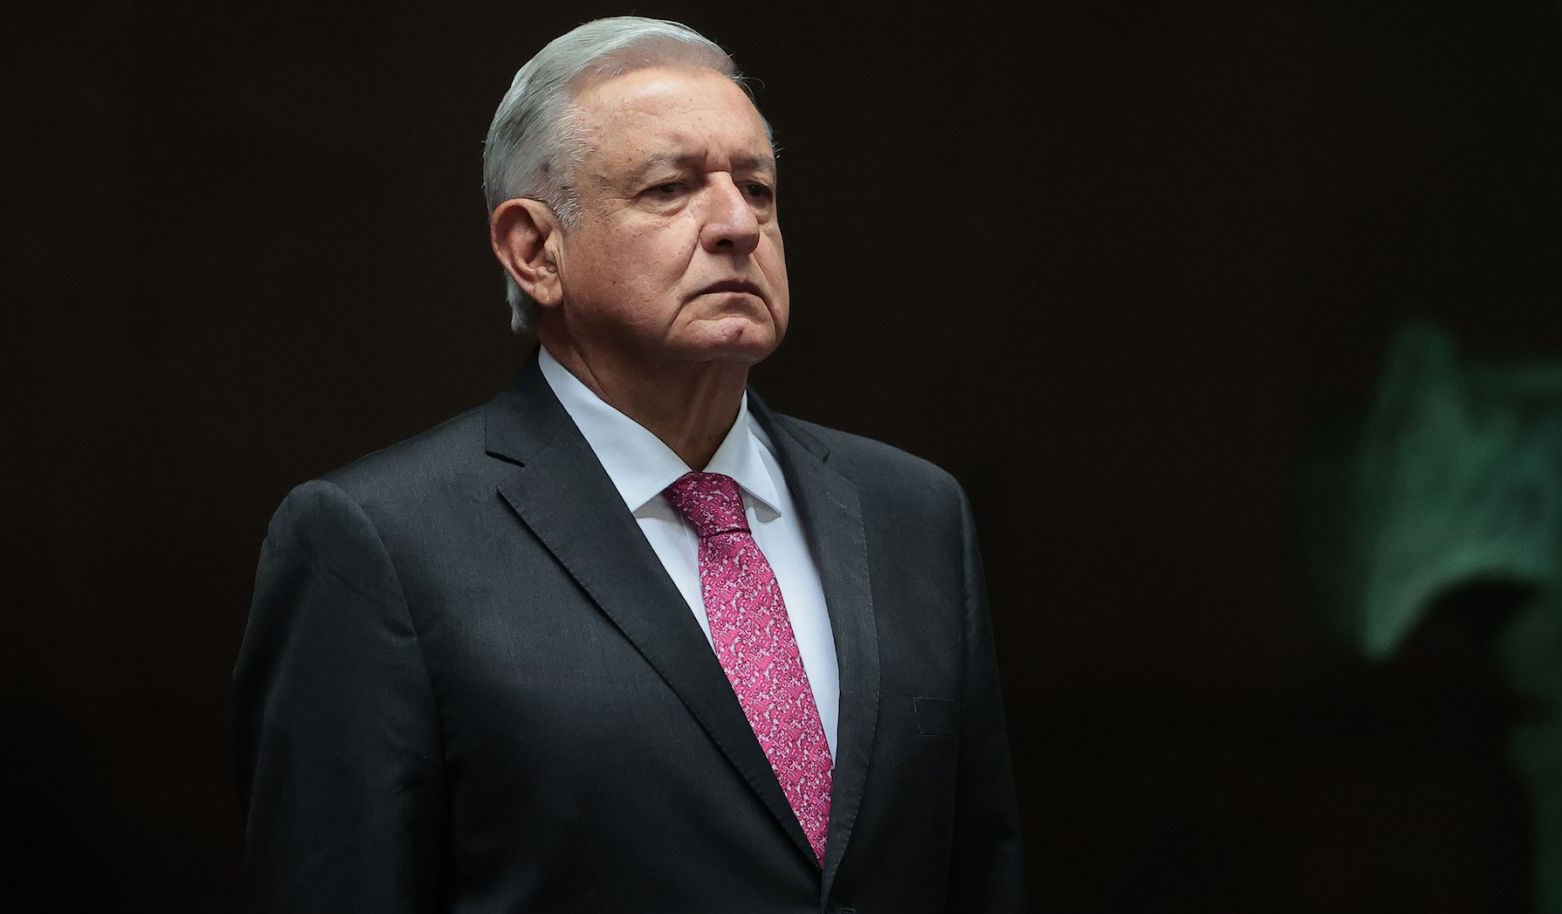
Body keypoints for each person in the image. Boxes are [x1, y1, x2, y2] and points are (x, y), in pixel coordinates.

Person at [233, 16, 1022, 913]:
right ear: (535, 251)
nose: (737, 224)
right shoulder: (377, 545)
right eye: (669, 188)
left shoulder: (913, 514)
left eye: (758, 188)